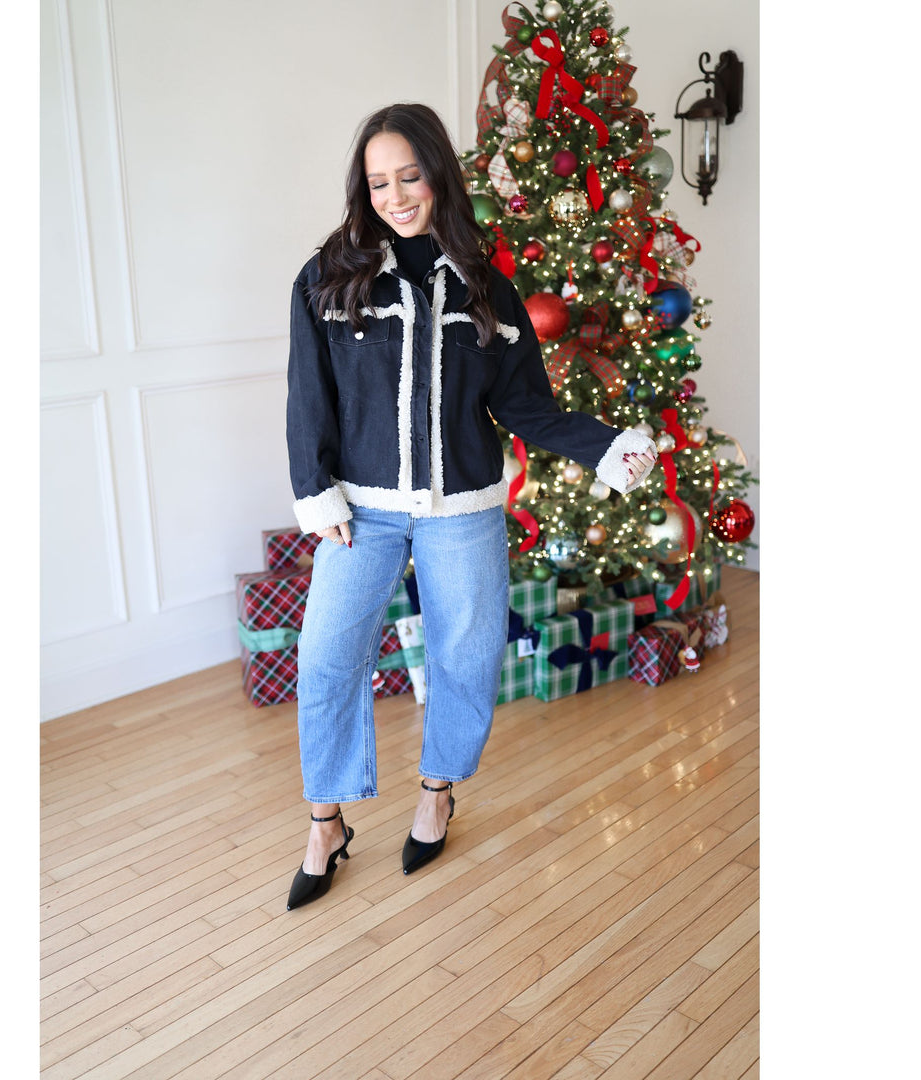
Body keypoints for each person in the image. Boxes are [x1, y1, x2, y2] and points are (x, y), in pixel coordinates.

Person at [284, 103, 657, 911]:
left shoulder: (486, 284)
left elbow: (524, 404)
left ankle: (438, 792)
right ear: (364, 187)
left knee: (467, 653)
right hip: (361, 509)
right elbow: (307, 397)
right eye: (378, 181)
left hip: (464, 508)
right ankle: (327, 820)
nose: (395, 195)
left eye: (409, 176)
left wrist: (604, 446)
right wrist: (316, 496)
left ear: (437, 175)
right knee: (325, 659)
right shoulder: (327, 277)